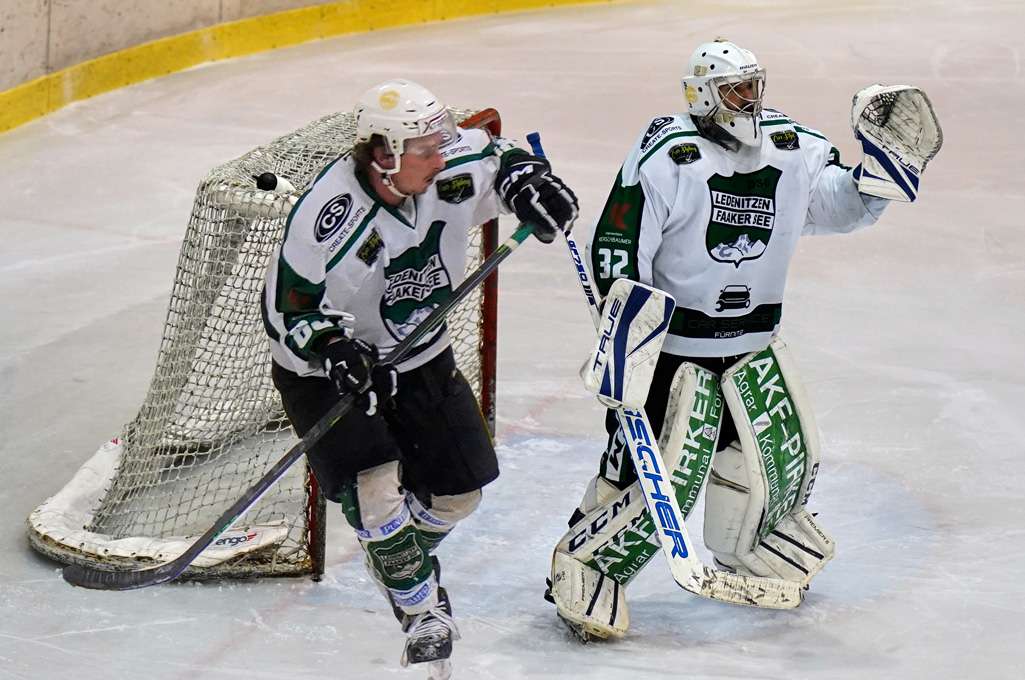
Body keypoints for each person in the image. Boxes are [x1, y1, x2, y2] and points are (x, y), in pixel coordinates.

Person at [546, 39, 940, 640]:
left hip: (751, 345)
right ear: (702, 96)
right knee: (639, 470)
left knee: (763, 455)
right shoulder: (668, 155)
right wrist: (627, 325)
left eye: (755, 86)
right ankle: (585, 565)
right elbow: (619, 243)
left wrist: (875, 178)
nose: (749, 101)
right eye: (735, 90)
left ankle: (748, 542)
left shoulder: (791, 147)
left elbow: (837, 205)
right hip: (672, 352)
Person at [262, 79, 577, 671]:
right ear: (383, 155)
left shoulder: (445, 163)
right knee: (376, 491)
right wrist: (334, 349)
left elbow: (500, 156)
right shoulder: (327, 218)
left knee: (460, 494)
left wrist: (530, 183)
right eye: (426, 150)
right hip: (326, 370)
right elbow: (288, 311)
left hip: (420, 355)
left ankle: (396, 553)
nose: (441, 157)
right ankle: (422, 610)